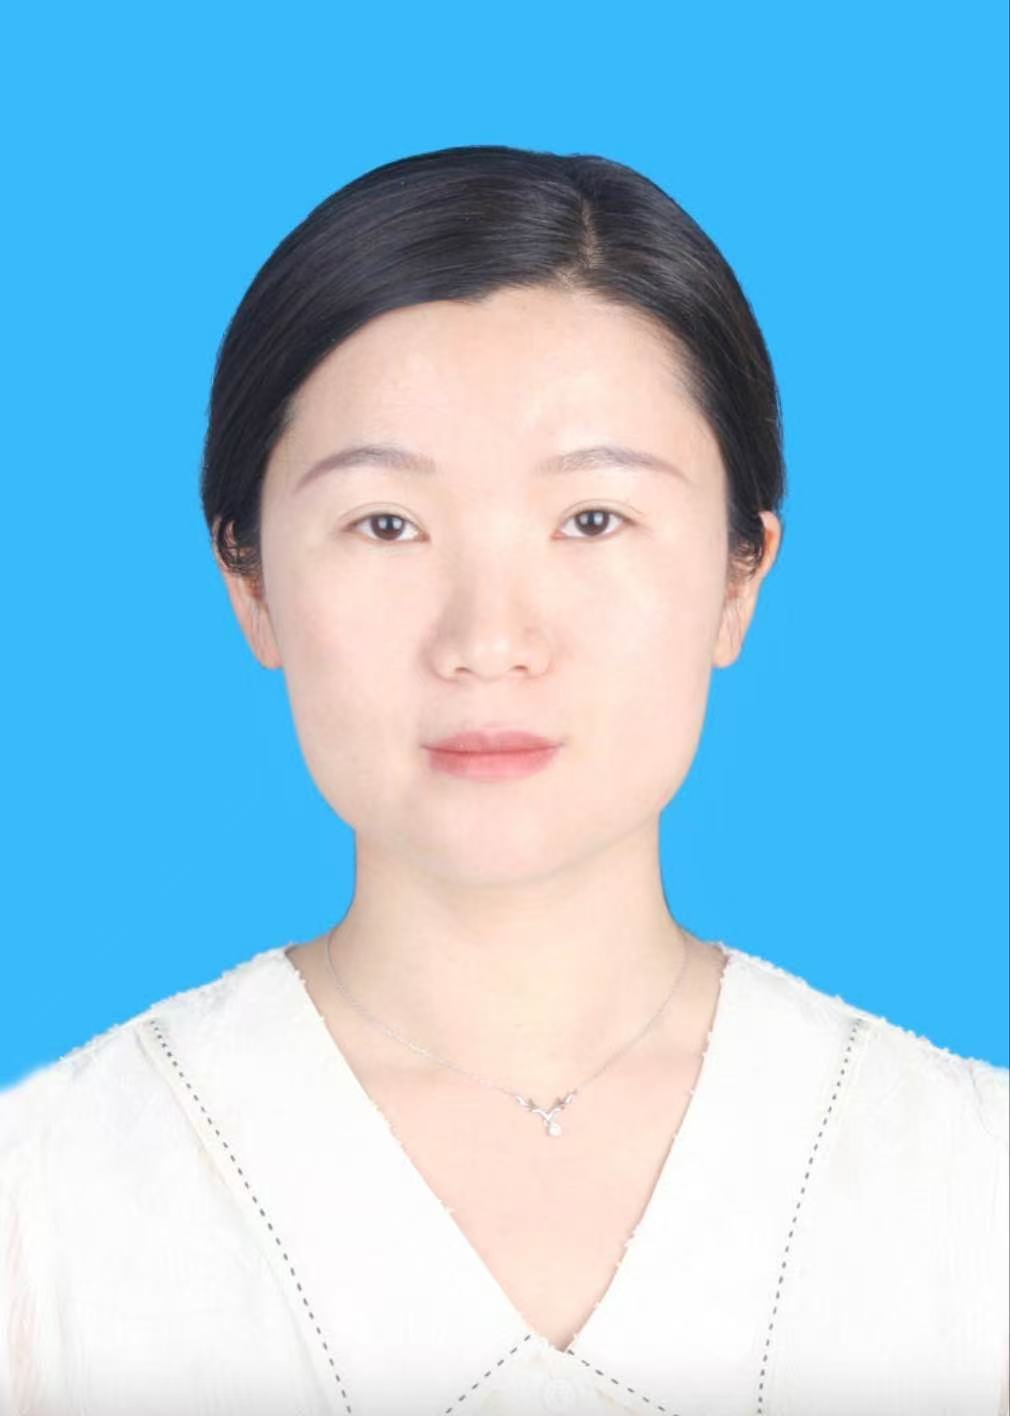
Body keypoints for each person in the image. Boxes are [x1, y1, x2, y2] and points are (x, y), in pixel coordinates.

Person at [1, 144, 1006, 1416]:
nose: (487, 639)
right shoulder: (45, 1206)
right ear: (247, 579)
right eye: (385, 524)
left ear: (738, 575)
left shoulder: (969, 1185)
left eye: (591, 520)